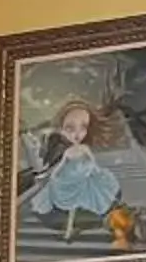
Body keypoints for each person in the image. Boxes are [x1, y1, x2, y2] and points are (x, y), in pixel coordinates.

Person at [27, 100, 123, 244]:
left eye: (83, 127)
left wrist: (95, 172)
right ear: (62, 130)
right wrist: (51, 176)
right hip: (69, 180)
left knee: (93, 200)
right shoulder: (68, 151)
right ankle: (70, 231)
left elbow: (93, 162)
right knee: (71, 207)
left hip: (82, 177)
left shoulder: (85, 149)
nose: (77, 134)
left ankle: (106, 223)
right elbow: (61, 166)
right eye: (70, 128)